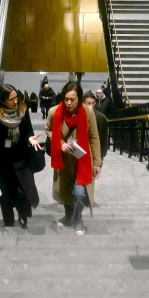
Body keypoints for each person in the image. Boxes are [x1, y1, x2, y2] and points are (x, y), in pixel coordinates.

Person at [42, 81, 101, 236]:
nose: (68, 103)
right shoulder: (54, 112)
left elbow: (94, 137)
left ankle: (77, 219)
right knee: (66, 191)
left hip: (82, 160)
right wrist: (60, 143)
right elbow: (48, 129)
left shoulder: (88, 111)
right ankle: (69, 216)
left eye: (72, 99)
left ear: (79, 99)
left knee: (80, 193)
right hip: (63, 160)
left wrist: (97, 162)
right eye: (66, 99)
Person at [0, 84, 40, 228]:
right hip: (2, 162)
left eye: (16, 98)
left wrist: (30, 139)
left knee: (24, 189)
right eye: (11, 99)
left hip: (21, 158)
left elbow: (28, 131)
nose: (16, 102)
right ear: (1, 101)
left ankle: (22, 214)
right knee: (5, 193)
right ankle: (8, 220)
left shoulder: (23, 111)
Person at [83, 91, 108, 161]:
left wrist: (101, 156)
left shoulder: (101, 118)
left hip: (94, 152)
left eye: (93, 103)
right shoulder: (77, 116)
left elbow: (103, 139)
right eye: (88, 103)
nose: (91, 105)